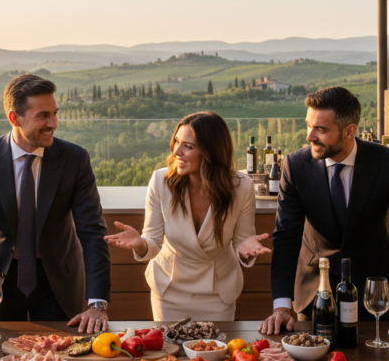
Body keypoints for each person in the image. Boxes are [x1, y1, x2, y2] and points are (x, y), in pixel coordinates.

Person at [259, 86, 389, 336]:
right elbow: (285, 238)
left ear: (350, 131)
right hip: (314, 292)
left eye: (321, 129)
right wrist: (281, 306)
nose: (310, 136)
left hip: (375, 296)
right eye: (309, 125)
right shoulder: (294, 165)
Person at [0, 74, 111, 335]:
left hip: (58, 282)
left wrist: (97, 303)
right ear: (15, 118)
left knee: (59, 360)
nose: (53, 123)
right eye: (43, 115)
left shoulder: (75, 159)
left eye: (55, 113)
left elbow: (92, 233)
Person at [106, 112, 271, 321]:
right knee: (170, 352)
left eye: (188, 146)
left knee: (216, 351)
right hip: (169, 291)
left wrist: (245, 251)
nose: (177, 151)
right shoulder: (160, 181)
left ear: (211, 151)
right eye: (176, 141)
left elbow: (242, 240)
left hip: (218, 292)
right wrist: (140, 243)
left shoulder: (242, 186)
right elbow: (153, 242)